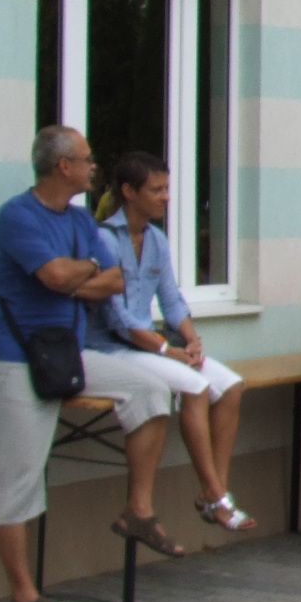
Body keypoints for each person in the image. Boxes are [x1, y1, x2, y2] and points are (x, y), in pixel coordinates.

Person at [0, 127, 180, 602]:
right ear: (62, 166)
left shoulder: (80, 220)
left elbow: (116, 280)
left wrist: (78, 274)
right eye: (87, 160)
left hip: (68, 355)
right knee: (20, 479)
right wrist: (85, 271)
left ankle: (138, 510)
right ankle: (24, 600)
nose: (94, 168)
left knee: (151, 389)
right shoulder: (17, 215)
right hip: (17, 361)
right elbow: (54, 276)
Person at [96, 152, 250, 532]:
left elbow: (171, 299)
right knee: (194, 385)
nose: (166, 197)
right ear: (129, 192)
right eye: (157, 190)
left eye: (167, 188)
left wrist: (192, 341)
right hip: (115, 349)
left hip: (151, 344)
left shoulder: (157, 239)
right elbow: (117, 317)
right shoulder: (104, 238)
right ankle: (216, 496)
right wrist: (167, 350)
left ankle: (215, 492)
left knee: (231, 385)